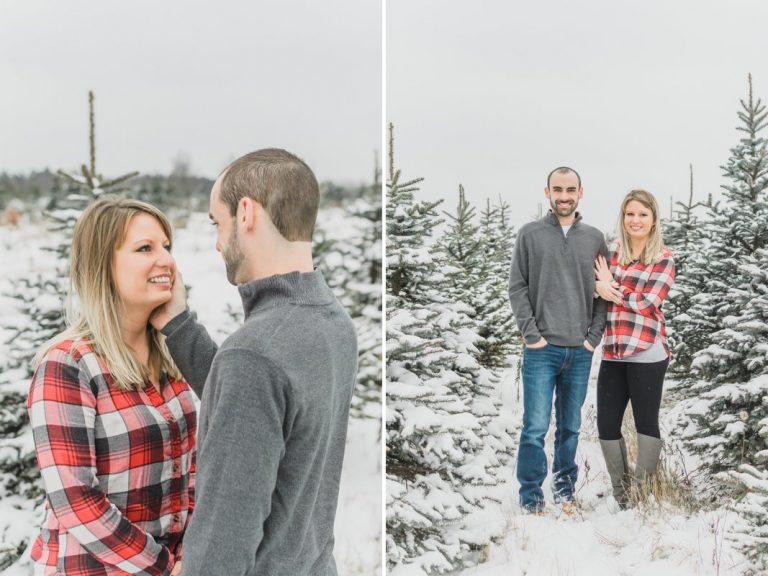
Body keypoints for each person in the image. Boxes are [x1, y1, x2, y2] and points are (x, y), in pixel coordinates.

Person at [150, 148, 358, 576]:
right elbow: (256, 414)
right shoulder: (333, 322)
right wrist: (179, 326)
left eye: (217, 222)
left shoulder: (255, 355)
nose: (216, 242)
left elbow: (221, 548)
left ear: (246, 213)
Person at [28, 197, 195, 575]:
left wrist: (194, 552)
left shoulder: (171, 357)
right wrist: (164, 567)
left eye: (167, 247)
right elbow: (77, 501)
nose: (166, 260)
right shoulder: (68, 365)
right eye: (145, 248)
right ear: (104, 265)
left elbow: (194, 472)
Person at [508, 166, 607, 514]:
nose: (564, 196)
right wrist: (531, 335)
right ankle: (531, 497)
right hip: (541, 350)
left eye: (570, 190)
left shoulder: (594, 238)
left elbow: (603, 292)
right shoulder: (530, 235)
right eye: (557, 190)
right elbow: (517, 287)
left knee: (570, 426)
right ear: (547, 192)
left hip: (579, 351)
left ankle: (565, 491)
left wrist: (593, 339)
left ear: (581, 192)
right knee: (535, 426)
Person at [594, 189, 675, 509]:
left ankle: (641, 494)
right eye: (630, 214)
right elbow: (593, 290)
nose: (635, 220)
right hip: (613, 350)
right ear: (623, 218)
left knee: (645, 422)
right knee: (607, 424)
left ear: (654, 219)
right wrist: (598, 286)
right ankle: (622, 493)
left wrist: (608, 287)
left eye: (642, 214)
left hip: (647, 351)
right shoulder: (612, 255)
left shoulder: (664, 258)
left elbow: (648, 303)